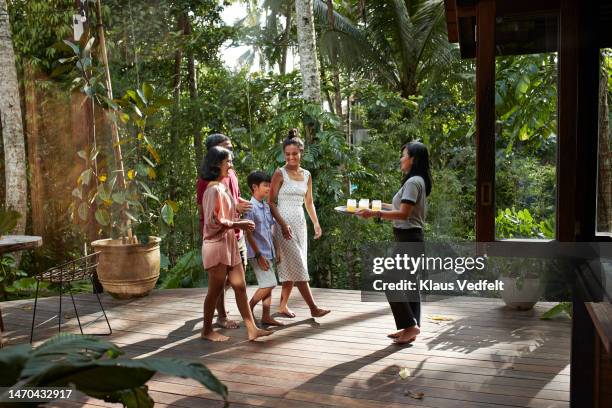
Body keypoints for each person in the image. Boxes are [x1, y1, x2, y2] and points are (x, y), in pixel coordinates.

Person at [357, 141, 432, 344]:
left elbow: (404, 213)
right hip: (411, 239)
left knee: (390, 279)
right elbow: (400, 206)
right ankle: (411, 327)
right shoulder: (417, 181)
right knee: (408, 283)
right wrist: (377, 205)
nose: (401, 158)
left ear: (413, 159)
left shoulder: (412, 182)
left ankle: (409, 325)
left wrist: (376, 213)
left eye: (404, 155)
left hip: (409, 239)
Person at [200, 146, 272, 342]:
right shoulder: (213, 190)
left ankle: (252, 329)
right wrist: (238, 223)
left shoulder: (223, 186)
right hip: (216, 245)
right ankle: (206, 330)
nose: (231, 165)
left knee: (240, 287)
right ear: (217, 165)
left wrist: (239, 216)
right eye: (228, 162)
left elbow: (228, 213)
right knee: (214, 291)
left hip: (230, 244)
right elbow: (213, 222)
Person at [268, 129, 330, 318]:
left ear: (301, 152)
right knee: (299, 266)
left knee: (292, 266)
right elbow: (271, 201)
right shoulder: (279, 173)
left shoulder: (307, 175)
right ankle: (313, 307)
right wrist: (282, 223)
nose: (291, 157)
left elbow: (308, 202)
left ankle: (282, 306)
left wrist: (316, 224)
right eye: (287, 154)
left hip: (300, 224)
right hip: (283, 225)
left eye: (294, 153)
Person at [197, 134, 252, 329]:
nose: (231, 158)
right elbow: (212, 217)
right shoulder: (210, 185)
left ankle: (252, 329)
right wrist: (236, 221)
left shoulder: (229, 175)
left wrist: (240, 205)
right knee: (217, 286)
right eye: (226, 152)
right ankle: (214, 321)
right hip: (218, 240)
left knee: (238, 283)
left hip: (234, 236)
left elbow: (232, 199)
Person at [243, 171, 284, 326]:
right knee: (269, 283)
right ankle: (248, 307)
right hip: (257, 253)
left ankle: (266, 316)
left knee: (269, 286)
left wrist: (278, 249)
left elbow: (271, 230)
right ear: (255, 187)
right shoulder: (250, 207)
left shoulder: (266, 207)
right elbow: (248, 234)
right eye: (265, 185)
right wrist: (259, 255)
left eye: (269, 185)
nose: (269, 188)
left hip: (269, 251)